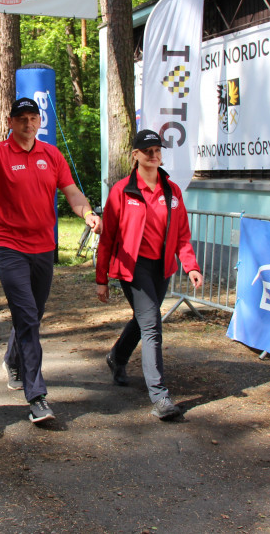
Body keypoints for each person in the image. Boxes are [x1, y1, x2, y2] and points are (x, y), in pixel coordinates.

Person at [0, 97, 101, 424]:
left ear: (40, 122)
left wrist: (88, 213)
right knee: (27, 316)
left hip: (43, 249)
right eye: (20, 118)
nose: (27, 123)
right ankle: (37, 397)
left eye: (32, 117)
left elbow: (72, 192)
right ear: (10, 122)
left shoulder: (51, 155)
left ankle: (12, 358)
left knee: (32, 315)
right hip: (9, 248)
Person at [95, 129, 204, 420]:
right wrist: (101, 278)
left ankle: (116, 357)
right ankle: (160, 396)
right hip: (132, 267)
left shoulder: (172, 191)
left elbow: (182, 234)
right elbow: (107, 239)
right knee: (152, 324)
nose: (154, 156)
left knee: (145, 318)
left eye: (157, 150)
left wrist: (190, 265)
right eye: (148, 151)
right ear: (135, 155)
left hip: (161, 267)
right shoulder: (122, 190)